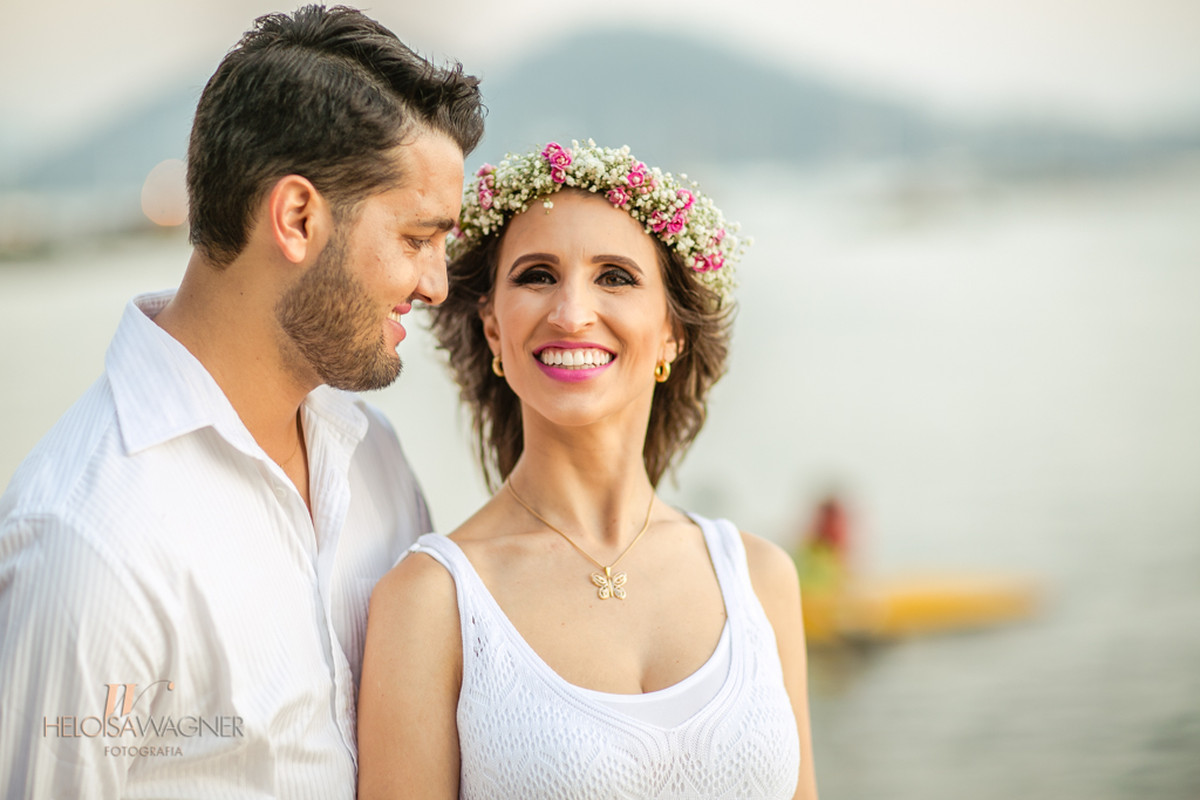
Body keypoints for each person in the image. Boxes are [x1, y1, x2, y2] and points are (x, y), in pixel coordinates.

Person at [0, 6, 483, 798]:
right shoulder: (87, 544)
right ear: (297, 219)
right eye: (416, 239)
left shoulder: (375, 460)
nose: (435, 284)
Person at [358, 141, 819, 798]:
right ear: (492, 328)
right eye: (537, 275)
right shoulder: (433, 601)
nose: (572, 313)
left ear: (671, 332)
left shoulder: (761, 580)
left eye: (616, 277)